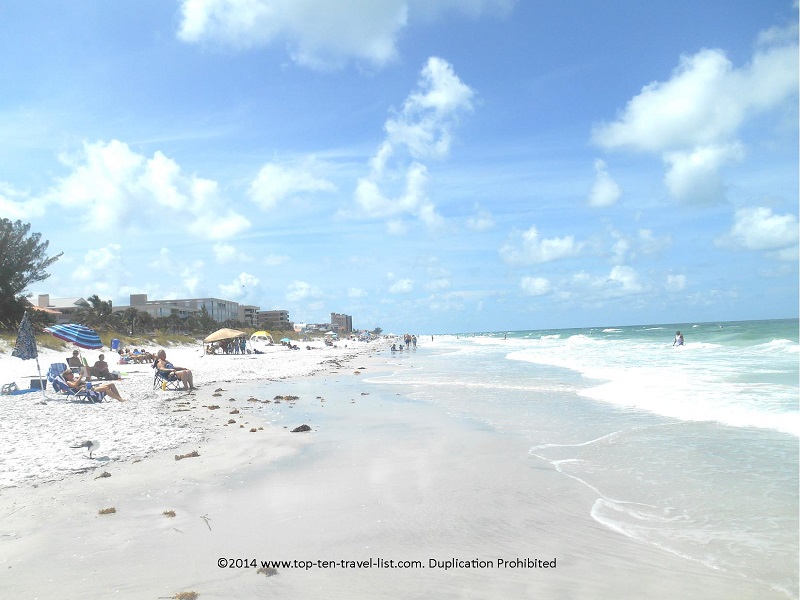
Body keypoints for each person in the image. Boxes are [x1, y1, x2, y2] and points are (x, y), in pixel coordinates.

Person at [61, 369, 126, 402]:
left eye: (72, 373)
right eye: (70, 373)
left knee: (111, 384)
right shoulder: (68, 382)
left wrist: (86, 376)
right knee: (106, 388)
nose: (72, 374)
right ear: (66, 376)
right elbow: (75, 385)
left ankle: (120, 398)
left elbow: (83, 381)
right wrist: (80, 376)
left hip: (89, 387)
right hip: (85, 390)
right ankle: (120, 400)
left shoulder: (74, 379)